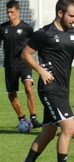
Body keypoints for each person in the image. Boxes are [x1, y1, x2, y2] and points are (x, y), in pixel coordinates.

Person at [16, 0, 74, 162]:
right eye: (71, 16)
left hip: (63, 88)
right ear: (60, 13)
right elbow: (25, 54)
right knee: (69, 127)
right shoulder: (44, 33)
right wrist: (41, 71)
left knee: (50, 132)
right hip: (49, 89)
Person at [0, 0, 42, 129]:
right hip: (10, 65)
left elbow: (35, 44)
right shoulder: (2, 28)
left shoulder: (26, 28)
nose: (9, 14)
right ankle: (22, 119)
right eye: (8, 12)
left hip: (24, 64)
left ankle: (33, 118)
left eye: (12, 12)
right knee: (12, 93)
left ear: (18, 11)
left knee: (28, 88)